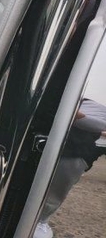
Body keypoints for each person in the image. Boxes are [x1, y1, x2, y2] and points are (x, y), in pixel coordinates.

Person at [34, 99, 106, 238]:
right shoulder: (85, 102)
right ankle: (38, 219)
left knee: (57, 187)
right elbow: (75, 116)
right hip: (67, 144)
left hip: (76, 149)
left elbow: (80, 119)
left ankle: (40, 220)